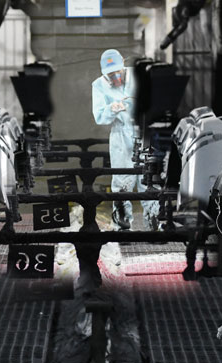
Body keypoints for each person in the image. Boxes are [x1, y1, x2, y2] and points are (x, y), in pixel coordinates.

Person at [90, 49, 156, 231]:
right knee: (121, 182)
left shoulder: (139, 76)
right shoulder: (99, 85)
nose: (115, 77)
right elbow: (99, 117)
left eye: (117, 72)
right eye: (110, 75)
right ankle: (122, 225)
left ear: (123, 65)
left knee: (149, 179)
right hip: (121, 135)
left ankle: (154, 223)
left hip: (144, 132)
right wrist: (112, 109)